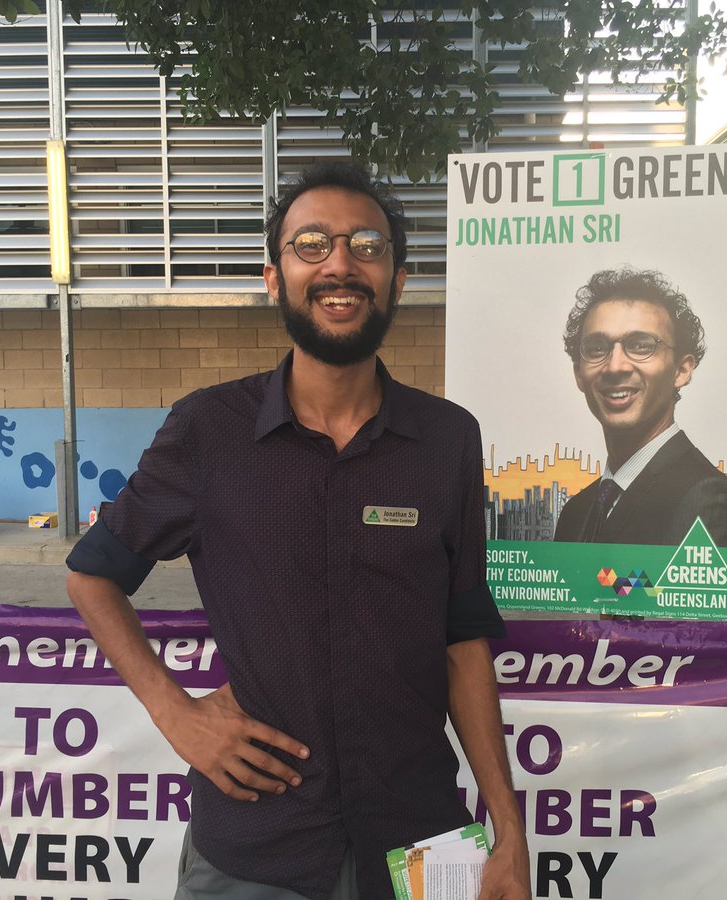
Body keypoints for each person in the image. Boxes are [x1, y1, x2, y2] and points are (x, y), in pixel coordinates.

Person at [65, 161, 530, 900]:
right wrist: (173, 712)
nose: (339, 263)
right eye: (311, 244)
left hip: (419, 843)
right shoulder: (207, 432)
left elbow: (462, 636)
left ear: (398, 280)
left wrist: (509, 830)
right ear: (275, 279)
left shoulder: (447, 440)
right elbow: (92, 572)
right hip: (255, 850)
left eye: (366, 246)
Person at [553, 266, 727, 548]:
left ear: (682, 371)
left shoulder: (709, 502)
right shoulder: (576, 512)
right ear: (578, 373)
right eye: (597, 348)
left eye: (640, 345)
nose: (615, 366)